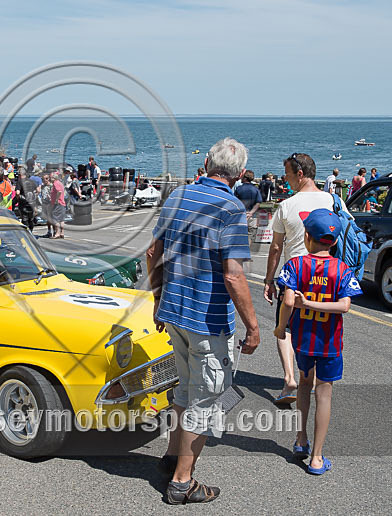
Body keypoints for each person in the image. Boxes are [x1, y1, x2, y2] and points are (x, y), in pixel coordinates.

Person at [147, 138, 259, 504]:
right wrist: (254, 326)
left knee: (184, 390)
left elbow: (153, 253)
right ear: (240, 174)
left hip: (174, 311)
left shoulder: (177, 197)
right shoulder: (231, 209)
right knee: (205, 400)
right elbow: (233, 276)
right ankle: (182, 481)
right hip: (207, 319)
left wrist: (158, 297)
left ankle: (170, 457)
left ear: (207, 163)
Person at [273, 208, 362, 475]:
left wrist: (280, 327)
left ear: (307, 237)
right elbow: (345, 306)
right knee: (324, 395)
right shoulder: (342, 269)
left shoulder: (296, 265)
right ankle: (317, 457)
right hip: (329, 343)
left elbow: (289, 301)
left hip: (303, 340)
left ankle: (301, 440)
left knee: (303, 385)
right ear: (334, 242)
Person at [263, 152, 350, 405]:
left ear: (300, 174)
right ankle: (311, 378)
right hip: (329, 275)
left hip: (295, 274)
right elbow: (343, 235)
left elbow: (276, 247)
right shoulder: (334, 200)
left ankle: (291, 378)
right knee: (319, 325)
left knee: (286, 328)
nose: (286, 181)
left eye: (288, 175)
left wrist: (269, 280)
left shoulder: (287, 205)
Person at [49, 171, 66, 239]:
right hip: (61, 203)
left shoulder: (56, 183)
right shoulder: (60, 183)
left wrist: (56, 200)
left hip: (58, 203)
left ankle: (57, 233)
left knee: (55, 219)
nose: (50, 179)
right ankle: (62, 232)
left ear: (54, 178)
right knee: (61, 219)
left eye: (51, 178)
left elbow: (59, 191)